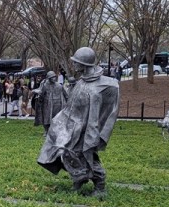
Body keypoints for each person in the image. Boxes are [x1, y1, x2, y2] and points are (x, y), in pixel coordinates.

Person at [38, 47, 119, 197]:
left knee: (87, 156)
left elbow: (101, 114)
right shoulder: (81, 82)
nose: (73, 65)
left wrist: (95, 134)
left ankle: (100, 186)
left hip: (86, 130)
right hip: (71, 127)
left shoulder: (100, 87)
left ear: (84, 64)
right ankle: (79, 179)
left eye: (76, 62)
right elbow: (71, 106)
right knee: (64, 152)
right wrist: (59, 122)